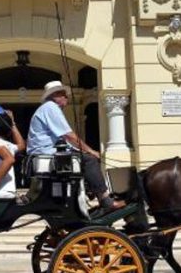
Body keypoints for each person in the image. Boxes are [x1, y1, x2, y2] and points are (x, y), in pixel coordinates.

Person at [27, 80, 125, 211]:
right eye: (63, 94)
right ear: (54, 96)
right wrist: (91, 151)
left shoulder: (47, 108)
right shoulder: (51, 107)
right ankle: (105, 199)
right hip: (46, 153)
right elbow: (69, 136)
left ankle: (90, 191)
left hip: (44, 152)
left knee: (83, 158)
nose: (66, 97)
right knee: (89, 160)